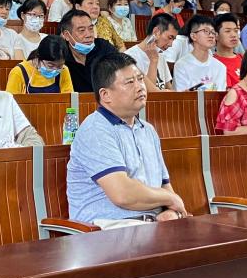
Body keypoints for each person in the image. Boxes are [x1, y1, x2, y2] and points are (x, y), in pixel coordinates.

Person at [66, 51, 188, 227]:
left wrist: (170, 211)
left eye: (140, 79)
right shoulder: (95, 129)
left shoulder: (148, 130)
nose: (140, 87)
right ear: (105, 95)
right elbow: (122, 194)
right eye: (130, 82)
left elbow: (164, 185)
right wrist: (170, 198)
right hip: (106, 228)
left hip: (150, 226)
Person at [59, 9, 112, 93]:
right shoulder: (59, 56)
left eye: (91, 29)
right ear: (67, 35)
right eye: (82, 30)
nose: (89, 35)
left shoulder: (103, 47)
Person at [173, 14, 227, 92]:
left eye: (213, 32)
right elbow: (182, 96)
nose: (211, 35)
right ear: (193, 36)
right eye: (206, 31)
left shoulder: (220, 67)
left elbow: (220, 95)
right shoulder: (181, 65)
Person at [125, 14, 179, 92]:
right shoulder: (129, 58)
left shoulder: (160, 54)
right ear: (156, 32)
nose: (171, 44)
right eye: (170, 37)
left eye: (173, 39)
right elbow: (148, 95)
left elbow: (169, 87)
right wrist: (153, 61)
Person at [6, 35, 74, 94]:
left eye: (59, 66)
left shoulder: (63, 70)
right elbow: (10, 102)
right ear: (38, 57)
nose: (55, 70)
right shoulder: (18, 72)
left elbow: (70, 99)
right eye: (50, 65)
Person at [213, 13, 243, 87]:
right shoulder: (212, 63)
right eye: (227, 31)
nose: (234, 35)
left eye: (236, 31)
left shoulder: (244, 59)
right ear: (216, 35)